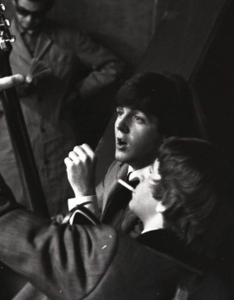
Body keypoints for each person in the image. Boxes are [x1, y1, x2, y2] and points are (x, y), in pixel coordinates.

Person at [0, 68, 232, 300]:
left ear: (168, 199)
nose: (142, 175)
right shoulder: (206, 284)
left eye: (152, 173)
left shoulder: (114, 260)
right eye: (120, 112)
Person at [0, 0, 124, 216]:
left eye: (38, 14)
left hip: (60, 146)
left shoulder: (68, 38)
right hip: (14, 149)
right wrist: (12, 94)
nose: (29, 20)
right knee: (18, 218)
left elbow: (114, 66)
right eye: (23, 11)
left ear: (50, 6)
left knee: (65, 218)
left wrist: (77, 92)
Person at [66, 71, 197, 236]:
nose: (120, 124)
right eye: (120, 112)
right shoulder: (120, 167)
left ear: (166, 136)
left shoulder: (162, 198)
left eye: (138, 118)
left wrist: (83, 193)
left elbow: (107, 257)